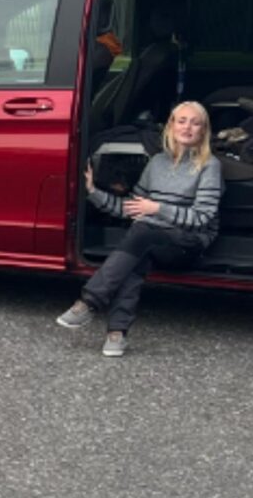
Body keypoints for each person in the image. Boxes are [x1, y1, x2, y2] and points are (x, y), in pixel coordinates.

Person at [56, 100, 222, 357]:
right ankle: (116, 334)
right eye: (181, 121)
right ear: (171, 126)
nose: (187, 127)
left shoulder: (209, 165)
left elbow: (201, 218)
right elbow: (133, 208)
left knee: (141, 233)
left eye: (195, 123)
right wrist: (94, 192)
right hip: (149, 239)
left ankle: (89, 301)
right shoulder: (156, 163)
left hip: (188, 244)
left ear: (203, 130)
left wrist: (157, 208)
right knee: (135, 256)